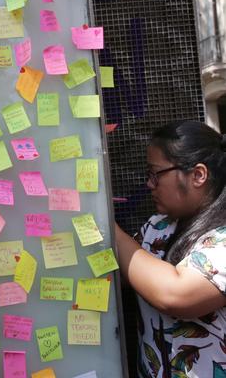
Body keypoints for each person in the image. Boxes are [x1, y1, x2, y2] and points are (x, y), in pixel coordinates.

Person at [114, 120, 226, 377]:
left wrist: (106, 223)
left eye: (156, 174)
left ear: (198, 175)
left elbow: (174, 294)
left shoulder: (223, 239)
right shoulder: (158, 227)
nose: (150, 184)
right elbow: (122, 273)